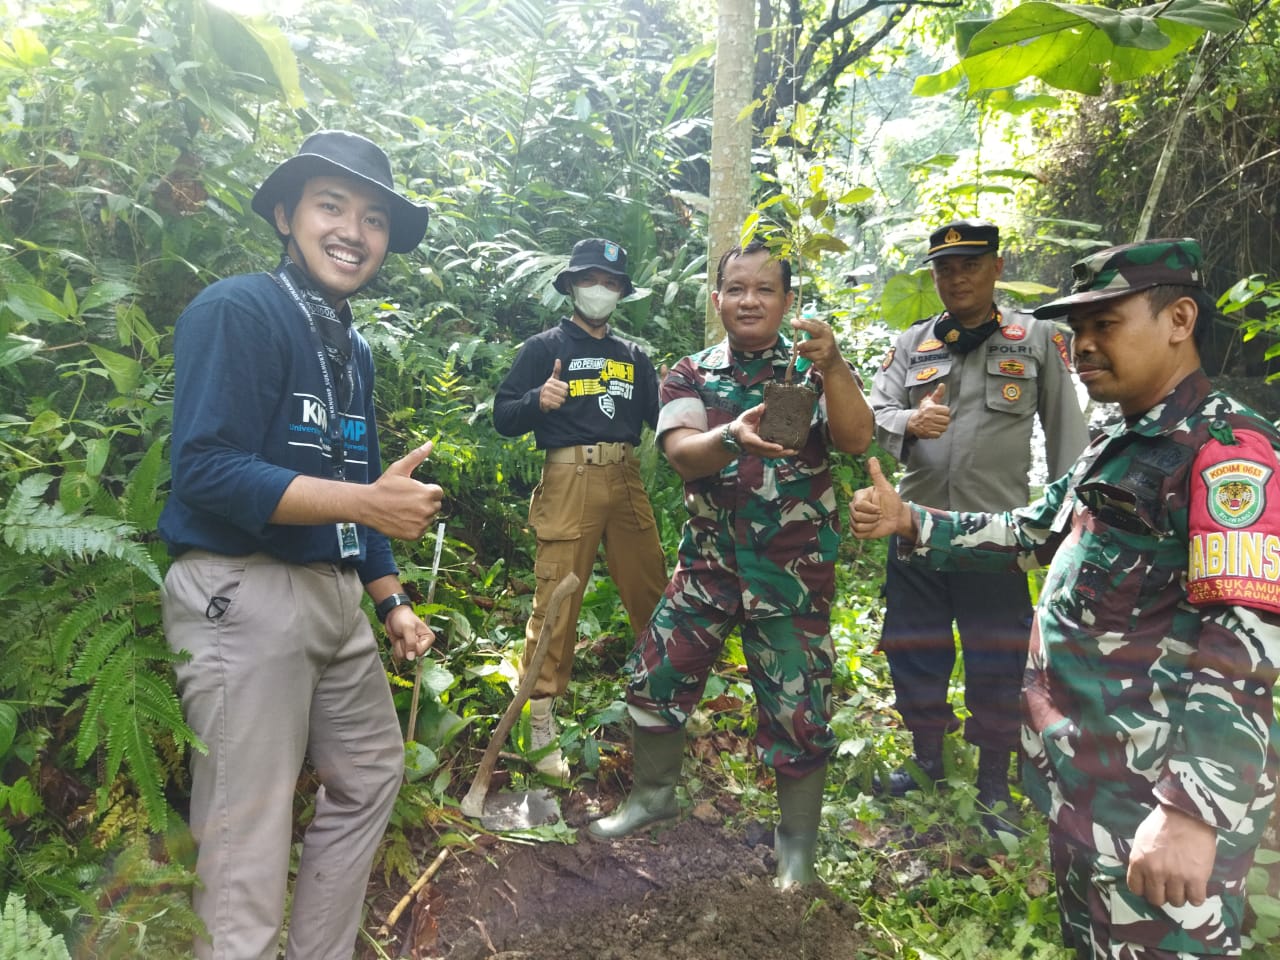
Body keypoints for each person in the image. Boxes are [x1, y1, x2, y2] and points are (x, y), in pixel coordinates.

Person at [850, 238, 1280, 957]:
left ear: (1178, 319)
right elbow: (1034, 526)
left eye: (1104, 325)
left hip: (1155, 799)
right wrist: (911, 520)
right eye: (1077, 331)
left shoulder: (1228, 452)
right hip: (1087, 777)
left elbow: (1242, 641)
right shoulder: (1120, 437)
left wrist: (1193, 812)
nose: (1081, 347)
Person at [158, 130, 443, 960]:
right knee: (246, 836)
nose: (354, 230)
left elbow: (365, 481)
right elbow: (205, 470)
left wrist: (389, 597)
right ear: (286, 215)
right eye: (331, 206)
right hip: (242, 591)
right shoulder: (238, 310)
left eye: (375, 219)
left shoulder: (349, 346)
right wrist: (365, 500)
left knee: (370, 775)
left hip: (333, 595)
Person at [587, 239, 875, 889]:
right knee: (655, 675)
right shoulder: (690, 374)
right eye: (736, 288)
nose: (750, 300)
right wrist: (732, 437)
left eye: (765, 289)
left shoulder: (810, 373)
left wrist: (835, 367)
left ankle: (796, 845)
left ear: (787, 301)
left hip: (791, 574)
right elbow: (682, 452)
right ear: (716, 299)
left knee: (799, 710)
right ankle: (654, 796)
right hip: (710, 566)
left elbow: (857, 439)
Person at [868, 218, 1089, 822]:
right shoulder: (915, 343)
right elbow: (872, 412)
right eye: (944, 268)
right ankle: (925, 760)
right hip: (914, 527)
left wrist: (1070, 522)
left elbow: (1068, 437)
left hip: (997, 534)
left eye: (969, 264)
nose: (956, 277)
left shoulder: (1037, 338)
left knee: (997, 653)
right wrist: (907, 423)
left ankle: (994, 776)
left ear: (995, 266)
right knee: (914, 647)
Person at [493, 238, 668, 780]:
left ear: (621, 293)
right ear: (570, 285)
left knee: (652, 587)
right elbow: (503, 414)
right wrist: (535, 402)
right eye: (590, 279)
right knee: (557, 598)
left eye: (611, 282)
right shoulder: (543, 347)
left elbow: (663, 420)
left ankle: (664, 704)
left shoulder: (635, 356)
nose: (601, 290)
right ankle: (538, 723)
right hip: (568, 475)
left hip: (626, 475)